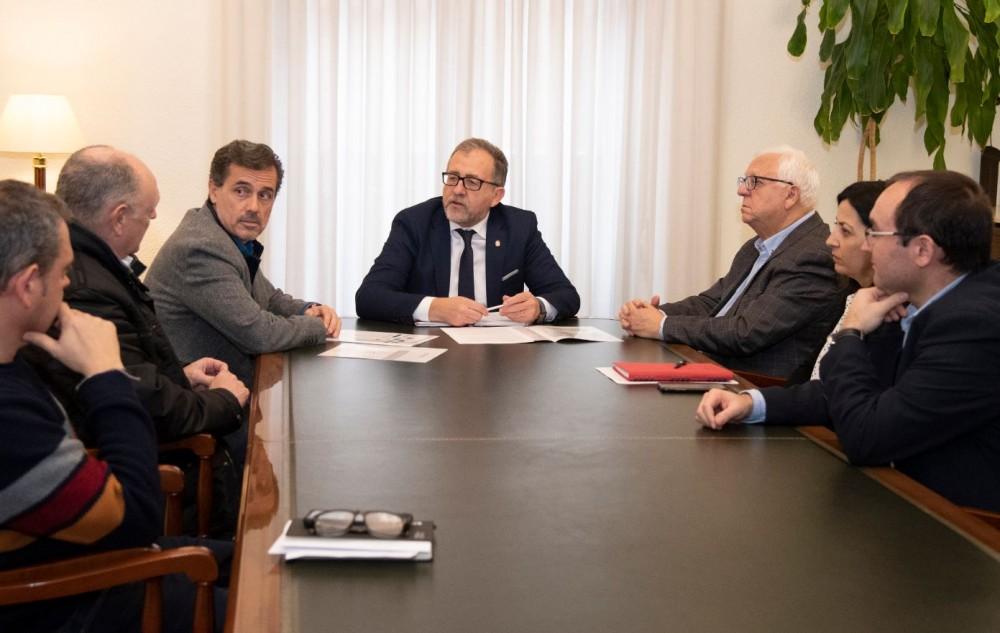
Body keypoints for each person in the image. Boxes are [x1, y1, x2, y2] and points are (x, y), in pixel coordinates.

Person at [695, 170, 1000, 512]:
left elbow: (867, 436)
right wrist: (752, 403)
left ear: (922, 250)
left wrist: (850, 332)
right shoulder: (909, 299)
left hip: (963, 528)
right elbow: (848, 391)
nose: (867, 246)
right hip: (898, 500)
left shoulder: (976, 326)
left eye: (875, 233)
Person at [0, 180, 223, 633]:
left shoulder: (16, 364)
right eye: (63, 272)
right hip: (68, 600)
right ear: (27, 285)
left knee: (257, 555)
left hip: (75, 552)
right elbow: (137, 517)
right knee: (272, 606)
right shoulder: (10, 416)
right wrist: (106, 375)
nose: (68, 284)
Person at [23, 145, 248, 444]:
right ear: (119, 218)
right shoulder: (86, 291)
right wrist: (225, 401)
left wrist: (179, 375)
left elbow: (130, 372)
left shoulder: (94, 270)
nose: (153, 216)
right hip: (164, 461)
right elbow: (144, 407)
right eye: (148, 212)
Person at [617, 146, 844, 380]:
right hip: (713, 368)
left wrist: (662, 326)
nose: (741, 190)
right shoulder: (757, 246)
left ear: (791, 195)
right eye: (744, 181)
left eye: (755, 182)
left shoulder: (813, 256)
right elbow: (712, 302)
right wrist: (652, 314)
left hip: (753, 385)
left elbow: (746, 333)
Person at [146, 140, 340, 388]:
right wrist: (317, 326)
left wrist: (309, 309)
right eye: (241, 191)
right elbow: (258, 334)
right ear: (214, 190)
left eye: (265, 195)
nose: (253, 207)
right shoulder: (201, 247)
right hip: (198, 397)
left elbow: (269, 299)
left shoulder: (228, 237)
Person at [355, 137, 580, 325]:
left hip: (500, 355)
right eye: (452, 178)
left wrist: (538, 308)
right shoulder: (414, 223)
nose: (457, 190)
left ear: (496, 196)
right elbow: (369, 297)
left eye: (472, 182)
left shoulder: (519, 227)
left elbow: (566, 295)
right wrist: (434, 308)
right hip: (431, 352)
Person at [787, 179, 886, 383]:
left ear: (877, 238)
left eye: (845, 231)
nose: (830, 240)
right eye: (836, 227)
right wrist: (753, 398)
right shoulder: (844, 296)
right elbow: (808, 377)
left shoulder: (888, 313)